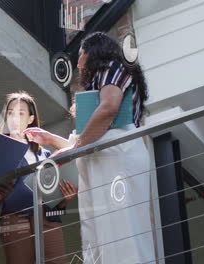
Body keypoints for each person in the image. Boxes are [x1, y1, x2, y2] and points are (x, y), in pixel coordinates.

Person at [24, 32, 156, 264]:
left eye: (80, 55)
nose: (78, 63)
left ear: (95, 52)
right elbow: (86, 141)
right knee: (102, 237)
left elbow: (108, 110)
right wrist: (52, 140)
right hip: (104, 162)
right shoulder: (99, 82)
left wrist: (71, 150)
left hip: (118, 159)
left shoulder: (114, 65)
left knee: (122, 233)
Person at [0, 91, 78, 264]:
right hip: (16, 220)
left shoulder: (46, 155)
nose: (14, 118)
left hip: (48, 219)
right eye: (10, 113)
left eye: (20, 113)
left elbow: (56, 200)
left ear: (30, 119)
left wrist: (65, 199)